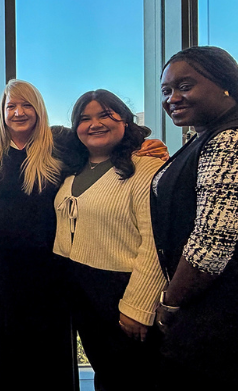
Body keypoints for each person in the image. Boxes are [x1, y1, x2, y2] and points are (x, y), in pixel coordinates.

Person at [54, 90, 166, 391]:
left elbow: (155, 244)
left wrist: (138, 306)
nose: (95, 124)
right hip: (80, 287)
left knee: (132, 377)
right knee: (104, 371)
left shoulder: (145, 167)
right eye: (85, 118)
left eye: (105, 115)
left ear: (125, 120)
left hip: (121, 290)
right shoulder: (73, 169)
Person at [0, 79, 78, 391]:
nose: (18, 112)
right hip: (3, 266)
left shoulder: (61, 144)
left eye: (26, 105)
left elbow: (105, 147)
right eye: (11, 106)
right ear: (2, 112)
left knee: (49, 344)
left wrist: (143, 146)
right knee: (6, 343)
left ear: (38, 109)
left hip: (50, 264)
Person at [153, 45, 238, 389]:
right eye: (166, 90)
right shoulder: (206, 135)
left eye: (185, 86)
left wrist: (170, 303)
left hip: (217, 319)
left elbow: (212, 244)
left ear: (225, 83)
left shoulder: (228, 140)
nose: (173, 98)